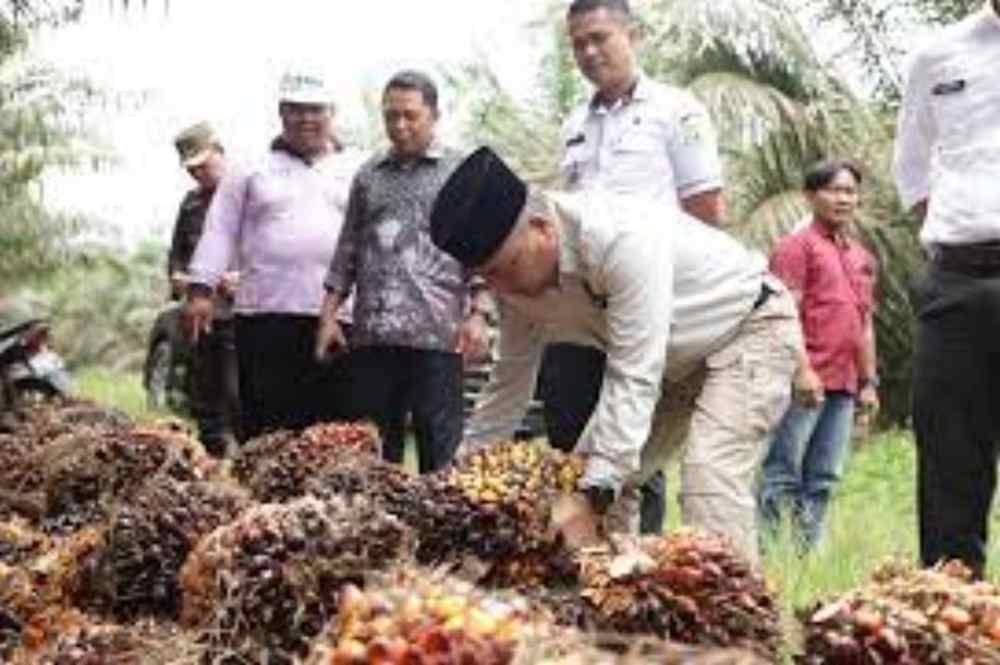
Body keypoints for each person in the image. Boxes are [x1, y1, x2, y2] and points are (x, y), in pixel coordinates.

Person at [430, 147, 801, 562]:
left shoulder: (616, 238)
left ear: (542, 229)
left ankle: (743, 617)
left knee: (707, 476)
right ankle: (608, 611)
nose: (499, 287)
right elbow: (507, 386)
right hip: (667, 362)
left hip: (747, 327)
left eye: (503, 268)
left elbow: (633, 369)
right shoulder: (514, 285)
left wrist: (596, 492)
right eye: (486, 278)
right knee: (581, 482)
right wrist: (457, 485)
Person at [538, 0, 726, 535]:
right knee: (572, 436)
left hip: (647, 302)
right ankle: (578, 566)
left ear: (633, 35)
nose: (590, 52)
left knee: (635, 443)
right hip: (582, 308)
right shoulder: (574, 124)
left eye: (600, 37)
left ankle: (638, 572)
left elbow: (706, 212)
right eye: (579, 44)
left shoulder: (676, 111)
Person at [316, 70, 490, 474]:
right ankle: (381, 533)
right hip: (373, 338)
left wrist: (479, 315)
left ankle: (438, 535)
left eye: (410, 116)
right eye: (391, 116)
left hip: (438, 338)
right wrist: (328, 317)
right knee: (376, 456)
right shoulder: (369, 175)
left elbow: (483, 254)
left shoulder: (461, 171)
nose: (400, 126)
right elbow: (347, 251)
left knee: (440, 455)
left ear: (434, 115)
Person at [186, 68, 363, 441]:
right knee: (266, 428)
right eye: (296, 110)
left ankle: (328, 501)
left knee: (333, 432)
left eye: (316, 110)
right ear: (281, 113)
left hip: (337, 318)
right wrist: (201, 290)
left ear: (332, 114)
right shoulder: (250, 167)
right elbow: (220, 228)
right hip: (265, 317)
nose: (306, 119)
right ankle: (262, 498)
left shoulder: (357, 170)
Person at [894, 0, 1000, 578]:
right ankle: (954, 625)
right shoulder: (938, 55)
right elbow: (911, 167)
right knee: (950, 466)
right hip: (957, 282)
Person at [758, 159, 879, 550]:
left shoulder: (861, 257)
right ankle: (771, 555)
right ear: (810, 196)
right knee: (783, 472)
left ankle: (809, 556)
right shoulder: (796, 248)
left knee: (824, 477)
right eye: (834, 190)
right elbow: (783, 313)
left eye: (850, 191)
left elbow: (864, 326)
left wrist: (869, 383)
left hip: (844, 383)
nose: (844, 198)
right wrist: (801, 371)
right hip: (804, 380)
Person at [167, 121, 240, 456]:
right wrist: (181, 278)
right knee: (204, 396)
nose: (198, 175)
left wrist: (240, 278)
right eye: (192, 171)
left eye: (204, 166)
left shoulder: (248, 195)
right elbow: (177, 255)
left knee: (238, 393)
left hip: (240, 315)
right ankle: (212, 461)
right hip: (199, 318)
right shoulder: (191, 205)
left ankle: (250, 457)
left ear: (220, 152)